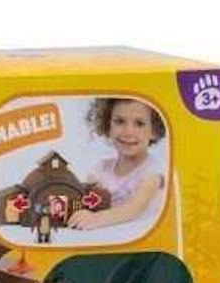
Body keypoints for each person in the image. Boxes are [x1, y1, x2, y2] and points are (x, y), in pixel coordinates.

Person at [68, 98, 166, 231]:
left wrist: (96, 218)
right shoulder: (101, 169)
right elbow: (87, 199)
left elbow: (132, 209)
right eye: (119, 121)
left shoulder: (152, 173)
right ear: (108, 125)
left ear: (154, 131)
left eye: (139, 123)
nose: (128, 132)